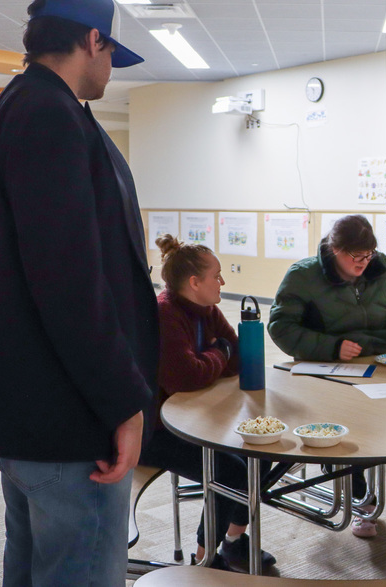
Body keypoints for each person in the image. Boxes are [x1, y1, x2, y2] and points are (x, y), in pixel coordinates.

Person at [0, 0, 159, 587]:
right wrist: (123, 400)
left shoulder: (22, 106)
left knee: (36, 564)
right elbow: (68, 280)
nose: (111, 69)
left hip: (33, 410)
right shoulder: (49, 115)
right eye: (112, 53)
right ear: (93, 41)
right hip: (66, 416)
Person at [268, 214, 386, 537]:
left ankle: (361, 490)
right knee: (352, 430)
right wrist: (332, 347)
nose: (363, 262)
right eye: (355, 256)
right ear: (335, 248)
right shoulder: (304, 276)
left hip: (382, 362)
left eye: (368, 254)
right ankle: (360, 499)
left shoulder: (379, 264)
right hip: (328, 373)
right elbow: (280, 327)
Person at [138, 235, 276, 572]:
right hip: (154, 431)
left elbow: (238, 357)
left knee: (263, 451)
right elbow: (187, 377)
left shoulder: (208, 309)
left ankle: (232, 542)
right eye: (217, 276)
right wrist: (218, 351)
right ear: (194, 282)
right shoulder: (164, 314)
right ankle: (204, 561)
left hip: (197, 417)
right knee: (230, 471)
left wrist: (212, 356)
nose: (223, 282)